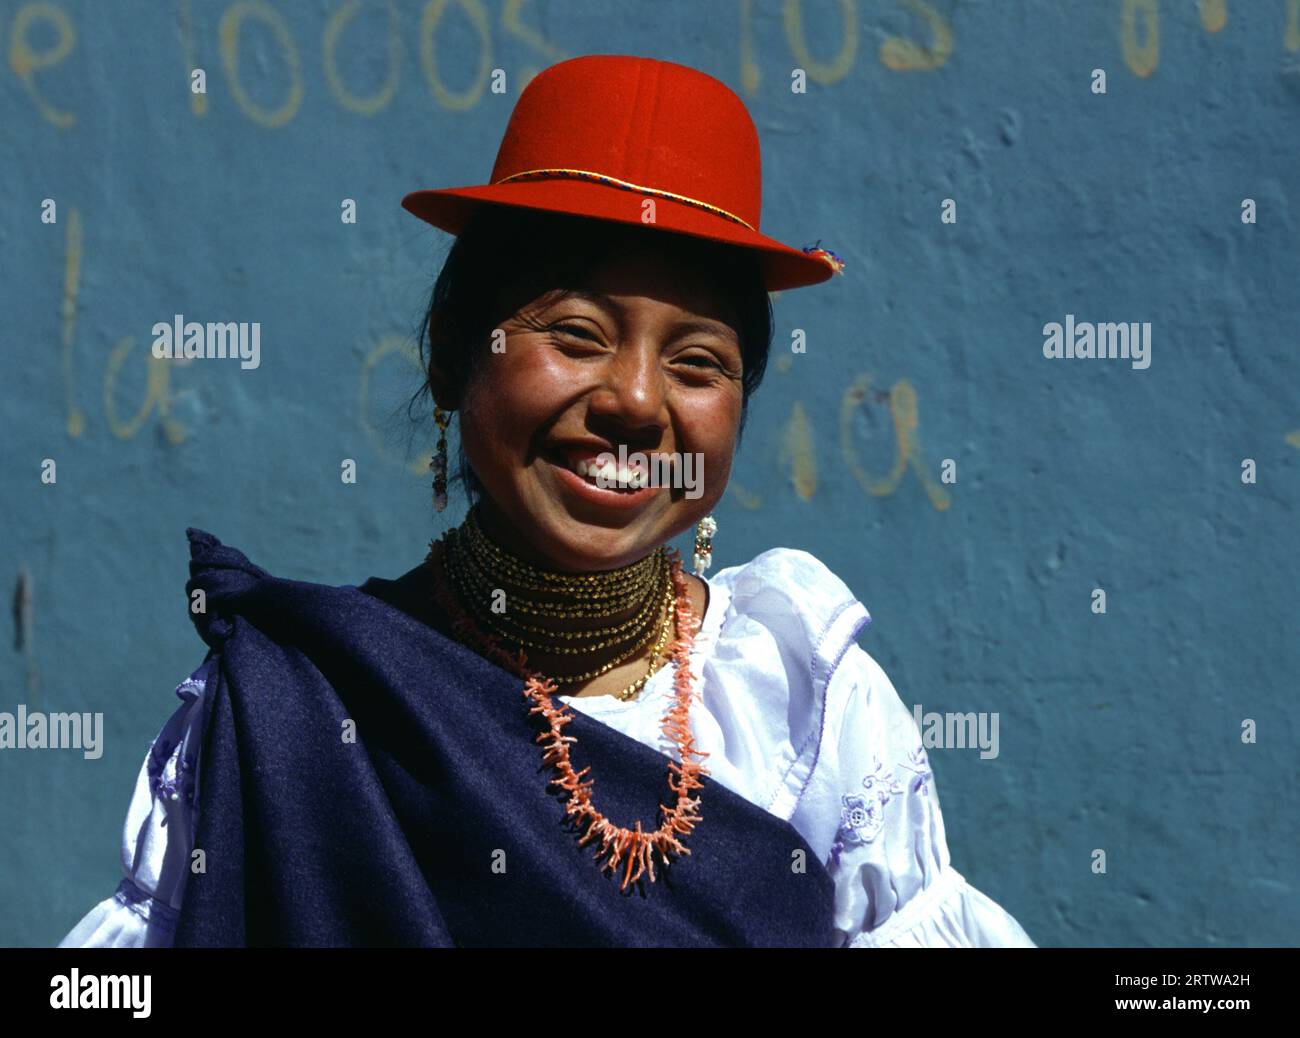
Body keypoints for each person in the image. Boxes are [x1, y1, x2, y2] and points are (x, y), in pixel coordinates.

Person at [59, 54, 1035, 948]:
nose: (636, 403)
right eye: (574, 334)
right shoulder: (295, 708)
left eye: (697, 362)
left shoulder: (807, 707)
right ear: (451, 356)